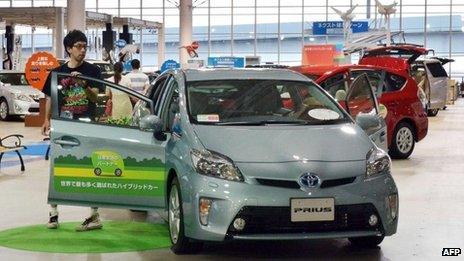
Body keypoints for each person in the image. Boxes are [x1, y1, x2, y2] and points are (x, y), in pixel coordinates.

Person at [41, 29, 105, 232]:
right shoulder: (56, 73)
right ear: (68, 48)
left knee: (91, 168)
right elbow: (50, 97)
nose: (83, 50)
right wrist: (46, 119)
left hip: (87, 125)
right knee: (57, 167)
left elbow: (96, 98)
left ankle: (94, 215)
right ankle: (53, 213)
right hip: (63, 127)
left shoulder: (93, 71)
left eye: (85, 46)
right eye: (78, 46)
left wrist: (83, 85)